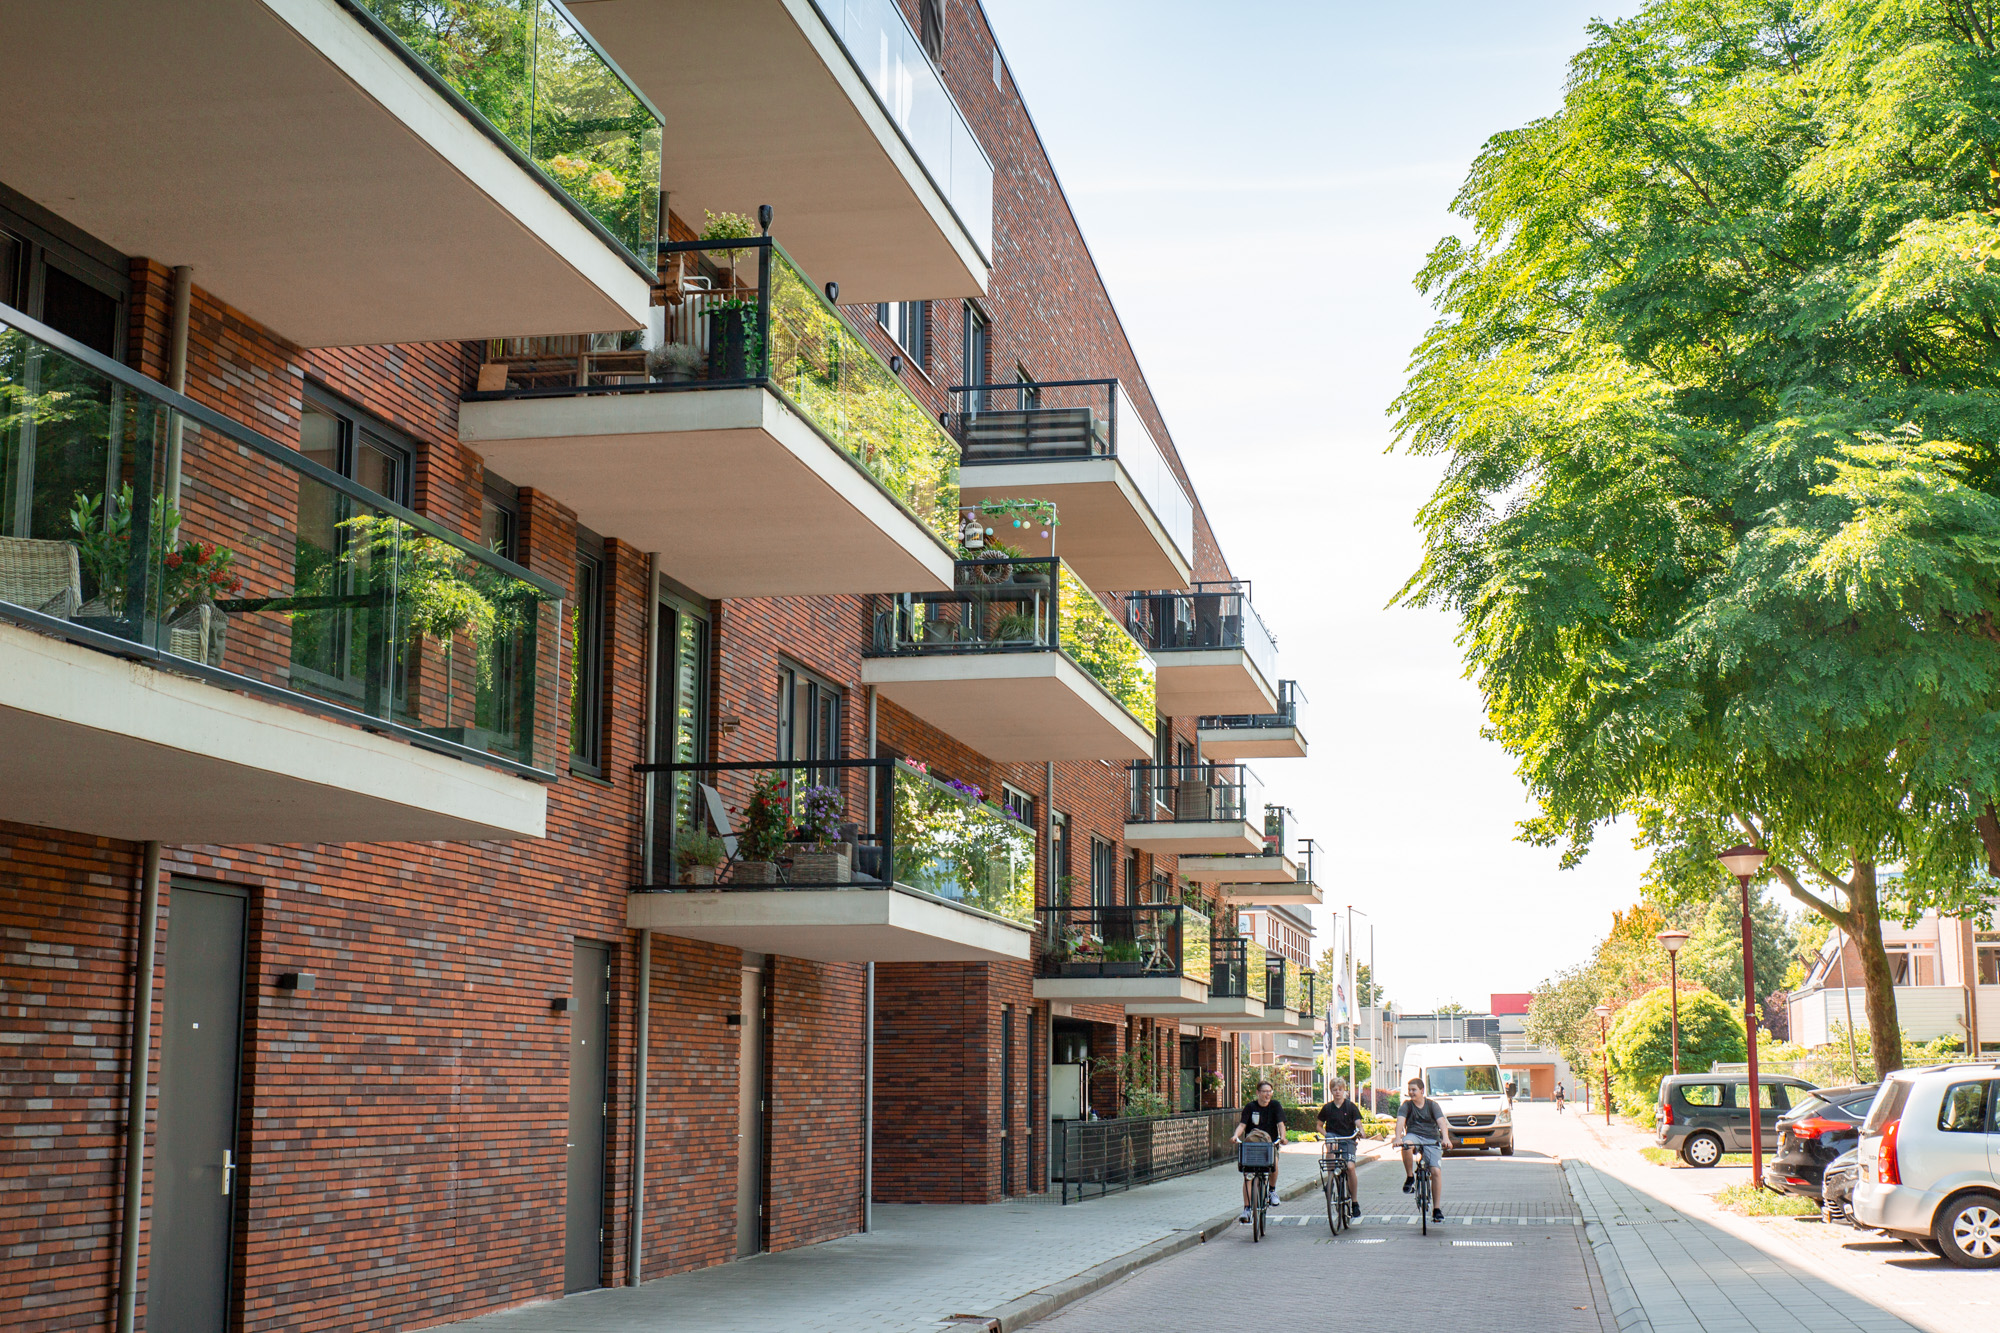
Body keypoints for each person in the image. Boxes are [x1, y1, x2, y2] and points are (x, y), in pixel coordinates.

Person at [1394, 1075, 1452, 1224]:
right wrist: (1398, 1138)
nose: (1411, 1093)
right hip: (1414, 1136)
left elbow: (1441, 1123)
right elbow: (1400, 1122)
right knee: (1406, 1145)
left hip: (1431, 1138)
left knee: (1436, 1172)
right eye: (1409, 1090)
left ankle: (1436, 1209)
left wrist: (1445, 1138)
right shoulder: (1406, 1105)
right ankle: (1410, 1177)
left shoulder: (1432, 1105)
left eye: (1414, 1090)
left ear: (1422, 1090)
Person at [1232, 1079, 1287, 1223]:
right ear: (1258, 1093)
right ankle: (1247, 1209)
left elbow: (1280, 1124)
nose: (1267, 1095)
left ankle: (1272, 1191)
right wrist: (1235, 1136)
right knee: (1248, 1176)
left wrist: (1283, 1137)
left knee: (1274, 1164)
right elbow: (1242, 1125)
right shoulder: (1250, 1107)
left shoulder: (1275, 1106)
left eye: (1269, 1091)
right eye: (1264, 1092)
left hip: (1269, 1145)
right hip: (1253, 1146)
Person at [1317, 1077, 1364, 1219]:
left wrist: (1361, 1130)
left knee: (1350, 1167)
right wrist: (1326, 1135)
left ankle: (1354, 1202)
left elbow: (1358, 1122)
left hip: (1347, 1140)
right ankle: (1330, 1179)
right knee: (1330, 1147)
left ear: (1345, 1091)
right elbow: (1319, 1125)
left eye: (1340, 1089)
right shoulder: (1327, 1108)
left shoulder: (1350, 1107)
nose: (1338, 1092)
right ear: (1331, 1091)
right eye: (1335, 1090)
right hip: (1333, 1138)